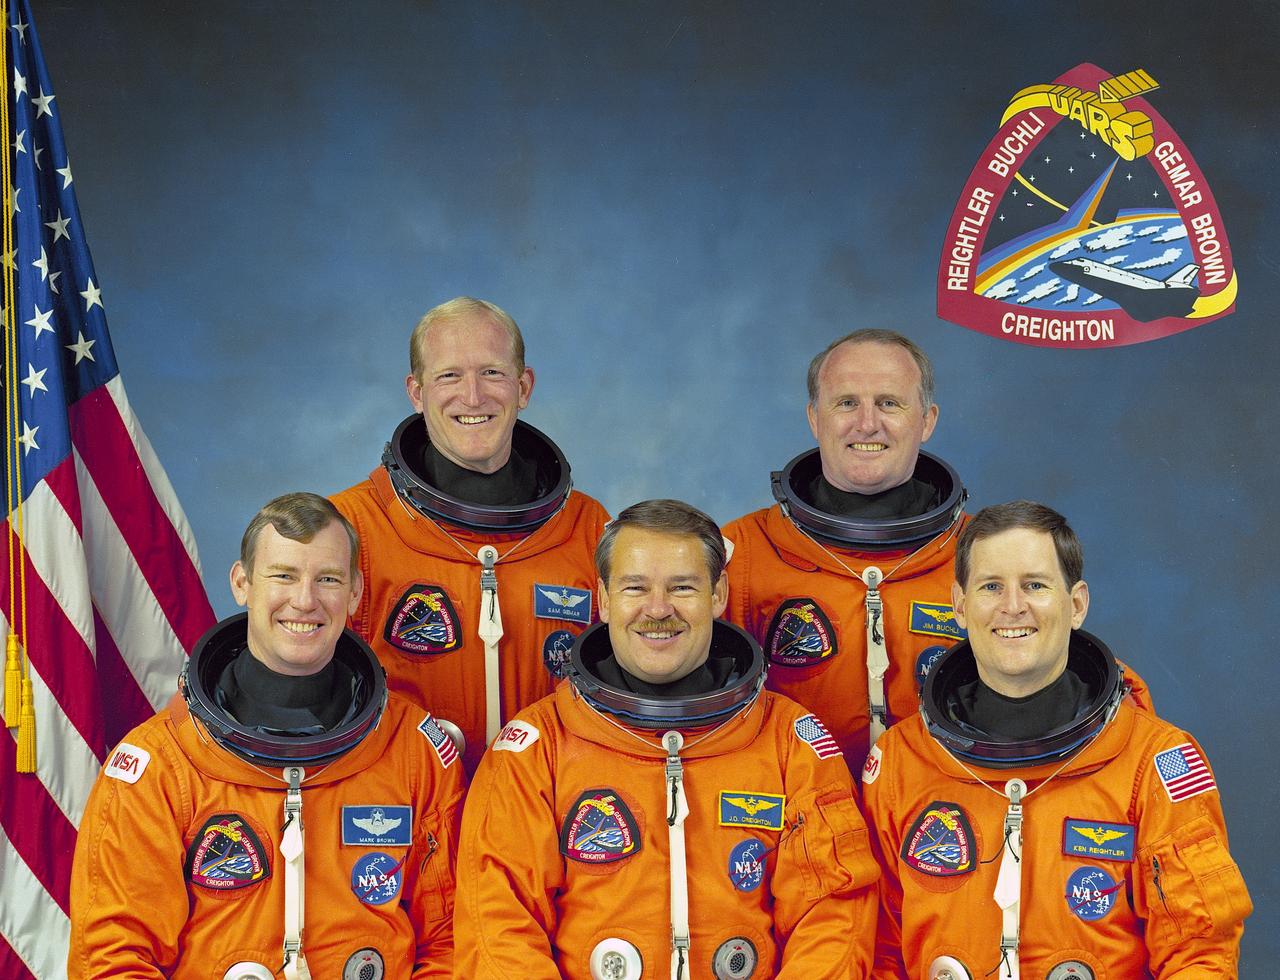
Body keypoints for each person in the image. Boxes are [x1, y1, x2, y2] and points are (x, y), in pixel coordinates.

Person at [455, 500, 879, 979]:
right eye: (635, 587)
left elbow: (833, 914)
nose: (658, 610)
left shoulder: (789, 740)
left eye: (682, 587)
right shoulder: (536, 748)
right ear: (604, 599)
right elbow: (498, 927)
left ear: (718, 595)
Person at [68, 493, 465, 979]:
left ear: (356, 593)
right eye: (283, 575)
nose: (305, 600)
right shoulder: (159, 766)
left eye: (328, 579)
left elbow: (451, 943)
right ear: (242, 583)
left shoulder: (412, 749)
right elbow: (114, 959)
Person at [723, 330, 1148, 775]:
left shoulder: (989, 556)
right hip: (796, 809)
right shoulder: (742, 553)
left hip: (941, 807)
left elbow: (1083, 691)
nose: (867, 424)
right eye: (846, 402)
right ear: (815, 417)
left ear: (927, 420)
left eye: (889, 403)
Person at [862, 501, 1250, 979]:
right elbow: (878, 950)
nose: (1012, 606)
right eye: (991, 586)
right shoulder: (900, 761)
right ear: (960, 606)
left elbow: (1200, 953)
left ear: (1077, 605)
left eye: (1035, 585)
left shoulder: (1154, 762)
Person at [332, 297, 609, 774]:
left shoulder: (586, 528)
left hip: (544, 804)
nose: (474, 396)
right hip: (408, 804)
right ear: (416, 392)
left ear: (524, 387)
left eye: (492, 373)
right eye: (449, 376)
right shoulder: (351, 527)